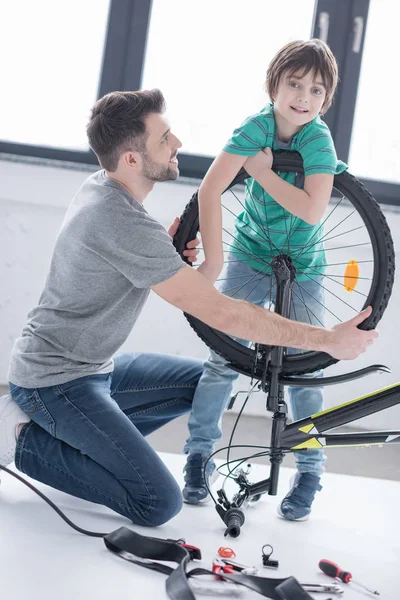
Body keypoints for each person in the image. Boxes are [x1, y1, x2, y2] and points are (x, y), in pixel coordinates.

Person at [0, 88, 376, 529]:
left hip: (94, 369)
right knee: (157, 502)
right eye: (163, 139)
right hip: (54, 383)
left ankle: (82, 440)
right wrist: (328, 340)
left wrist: (170, 254)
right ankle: (19, 439)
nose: (177, 143)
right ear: (132, 160)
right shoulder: (122, 223)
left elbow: (153, 267)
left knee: (202, 385)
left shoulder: (103, 185)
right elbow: (223, 313)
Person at [181, 39, 350, 521]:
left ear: (326, 100)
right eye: (294, 84)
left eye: (316, 90)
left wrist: (263, 172)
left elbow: (315, 211)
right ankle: (197, 457)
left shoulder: (317, 140)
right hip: (250, 255)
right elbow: (211, 188)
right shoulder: (254, 127)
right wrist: (212, 262)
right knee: (220, 360)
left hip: (305, 266)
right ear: (273, 85)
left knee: (306, 373)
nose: (303, 97)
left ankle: (311, 469)